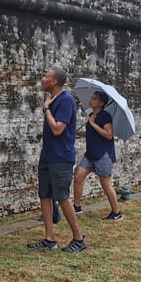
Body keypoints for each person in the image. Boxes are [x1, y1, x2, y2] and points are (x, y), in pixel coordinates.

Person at [27, 66, 86, 253]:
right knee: (44, 195)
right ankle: (49, 238)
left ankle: (78, 239)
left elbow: (58, 129)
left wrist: (46, 110)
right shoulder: (54, 100)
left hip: (61, 158)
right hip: (48, 155)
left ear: (54, 81)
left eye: (46, 76)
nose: (42, 78)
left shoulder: (66, 101)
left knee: (61, 197)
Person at [73, 90, 122, 220]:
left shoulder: (105, 116)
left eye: (94, 99)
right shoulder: (91, 115)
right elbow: (91, 133)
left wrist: (93, 124)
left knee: (105, 184)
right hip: (90, 154)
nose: (91, 100)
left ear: (101, 103)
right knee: (78, 177)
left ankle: (116, 212)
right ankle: (76, 207)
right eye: (91, 98)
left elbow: (108, 134)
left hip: (103, 154)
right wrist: (77, 133)